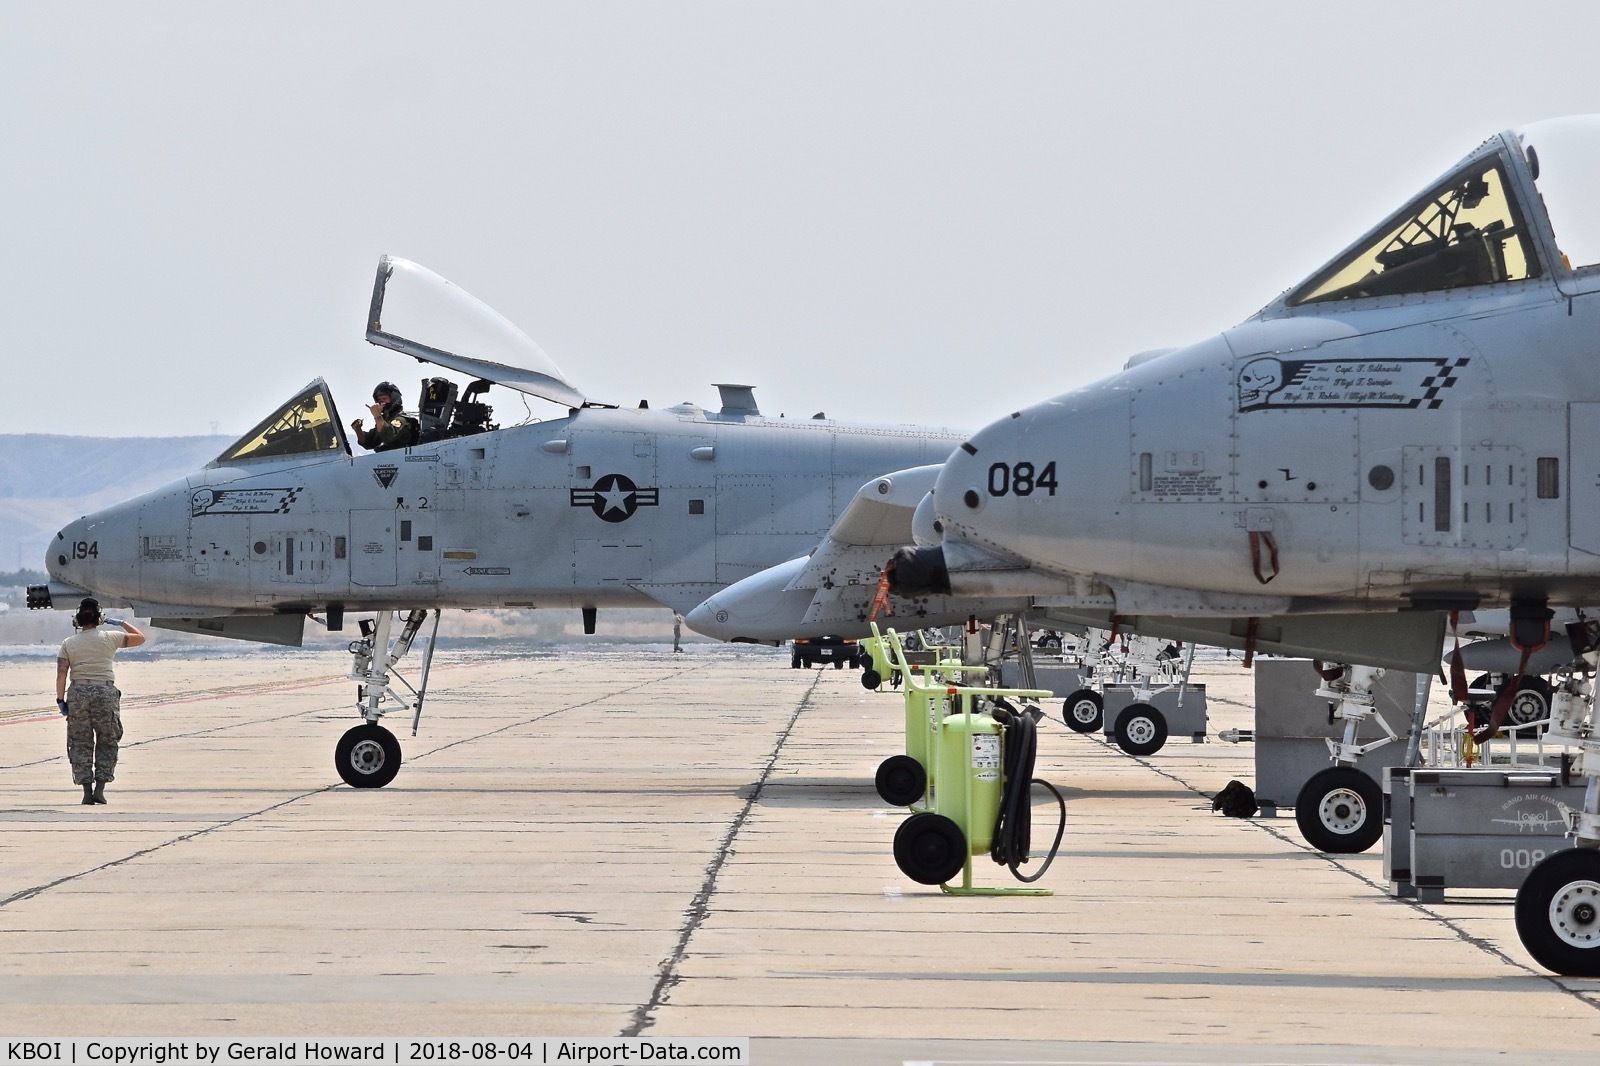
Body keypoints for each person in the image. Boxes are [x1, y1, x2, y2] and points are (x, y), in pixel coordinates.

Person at [54, 598, 144, 805]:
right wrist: (120, 623)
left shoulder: (68, 643)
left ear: (77, 620)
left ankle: (86, 791)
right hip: (105, 692)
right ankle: (100, 789)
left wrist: (61, 700)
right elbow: (140, 638)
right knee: (107, 739)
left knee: (79, 742)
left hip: (78, 693)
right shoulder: (110, 637)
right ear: (99, 618)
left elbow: (61, 674)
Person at [350, 381, 418, 452]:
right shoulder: (384, 422)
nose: (381, 402)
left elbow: (388, 436)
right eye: (379, 400)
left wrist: (377, 415)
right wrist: (358, 429)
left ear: (394, 398)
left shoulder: (402, 420)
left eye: (384, 398)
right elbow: (369, 442)